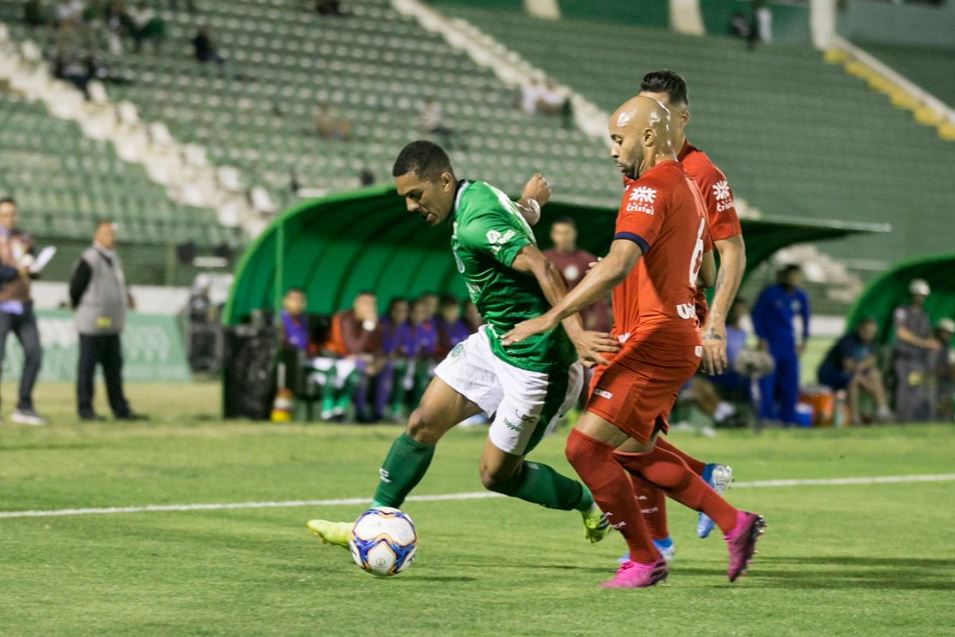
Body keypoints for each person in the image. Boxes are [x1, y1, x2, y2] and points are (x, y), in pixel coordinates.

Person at [307, 140, 619, 550]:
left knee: (497, 476)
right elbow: (511, 221)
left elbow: (543, 265)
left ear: (444, 180)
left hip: (538, 363)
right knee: (422, 423)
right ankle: (370, 522)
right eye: (404, 198)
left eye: (415, 195)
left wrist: (576, 334)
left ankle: (589, 505)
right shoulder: (477, 194)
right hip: (496, 341)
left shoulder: (473, 222)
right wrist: (531, 203)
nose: (410, 207)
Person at [504, 96, 763, 588]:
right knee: (631, 452)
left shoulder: (648, 188)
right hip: (674, 330)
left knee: (583, 449)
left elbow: (624, 262)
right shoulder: (689, 184)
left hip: (656, 335)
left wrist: (554, 316)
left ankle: (646, 558)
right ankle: (735, 523)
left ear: (648, 136)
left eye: (617, 139)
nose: (612, 151)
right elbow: (703, 269)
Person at [626, 70, 747, 547]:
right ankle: (698, 485)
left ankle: (657, 543)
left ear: (681, 117)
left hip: (674, 320)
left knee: (619, 434)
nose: (646, 125)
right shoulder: (639, 167)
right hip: (640, 312)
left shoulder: (702, 174)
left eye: (655, 115)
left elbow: (731, 251)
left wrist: (713, 324)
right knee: (631, 435)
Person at [69, 219, 143, 421]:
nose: (111, 237)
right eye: (106, 233)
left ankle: (120, 409)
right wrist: (83, 310)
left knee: (114, 369)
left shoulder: (114, 258)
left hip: (112, 323)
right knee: (87, 368)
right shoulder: (89, 258)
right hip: (92, 323)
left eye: (112, 233)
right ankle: (85, 410)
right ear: (96, 236)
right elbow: (75, 289)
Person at [0, 198, 45, 426]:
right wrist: (15, 272)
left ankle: (24, 405)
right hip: (1, 305)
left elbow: (32, 268)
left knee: (34, 353)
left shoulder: (23, 239)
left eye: (12, 214)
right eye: (4, 214)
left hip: (23, 304)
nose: (9, 218)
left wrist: (32, 267)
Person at [752, 264, 810, 425]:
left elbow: (806, 319)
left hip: (789, 343)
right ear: (785, 276)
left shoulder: (801, 296)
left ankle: (788, 417)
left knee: (791, 381)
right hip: (771, 342)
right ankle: (768, 417)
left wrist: (804, 340)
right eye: (793, 276)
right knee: (767, 380)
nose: (796, 280)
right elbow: (757, 315)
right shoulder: (770, 293)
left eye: (798, 276)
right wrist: (761, 337)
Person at [314, 291, 384, 422]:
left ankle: (341, 410)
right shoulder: (346, 319)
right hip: (328, 358)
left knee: (370, 368)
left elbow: (377, 348)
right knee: (353, 369)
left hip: (350, 361)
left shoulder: (375, 323)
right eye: (365, 304)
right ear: (356, 304)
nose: (369, 308)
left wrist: (370, 358)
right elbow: (354, 348)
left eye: (372, 304)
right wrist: (368, 327)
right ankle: (328, 412)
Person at [817, 317, 892, 424]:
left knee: (874, 373)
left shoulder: (870, 341)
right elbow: (847, 365)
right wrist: (865, 381)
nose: (870, 335)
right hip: (831, 374)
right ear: (860, 329)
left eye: (872, 332)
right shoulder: (848, 341)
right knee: (854, 380)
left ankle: (882, 410)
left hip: (853, 372)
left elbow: (872, 360)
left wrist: (862, 366)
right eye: (868, 332)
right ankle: (854, 417)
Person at [543, 217, 609, 332]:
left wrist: (599, 325)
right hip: (549, 324)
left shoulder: (586, 260)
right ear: (552, 234)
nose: (563, 237)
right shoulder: (544, 259)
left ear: (574, 233)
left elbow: (598, 295)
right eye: (559, 233)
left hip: (579, 324)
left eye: (567, 232)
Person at [890, 279, 937, 422]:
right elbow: (901, 333)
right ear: (911, 294)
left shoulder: (925, 316)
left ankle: (911, 420)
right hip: (903, 358)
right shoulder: (901, 311)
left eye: (922, 296)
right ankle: (900, 419)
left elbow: (929, 337)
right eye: (917, 295)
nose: (920, 298)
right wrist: (923, 343)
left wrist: (931, 344)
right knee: (901, 390)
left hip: (917, 361)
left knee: (915, 390)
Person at [434, 294, 472, 358]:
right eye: (450, 309)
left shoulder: (462, 324)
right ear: (442, 309)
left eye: (456, 309)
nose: (453, 312)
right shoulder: (436, 324)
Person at [931, 318, 954, 421]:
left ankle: (946, 416)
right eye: (945, 331)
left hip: (945, 379)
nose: (947, 335)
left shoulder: (947, 347)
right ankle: (943, 417)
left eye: (949, 333)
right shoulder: (931, 343)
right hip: (932, 378)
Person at [280, 288, 311, 354]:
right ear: (285, 300)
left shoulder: (303, 320)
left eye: (302, 300)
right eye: (295, 299)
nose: (299, 303)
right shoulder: (278, 319)